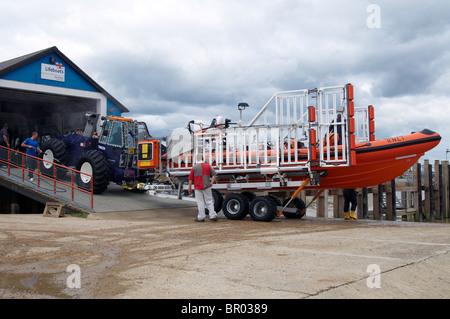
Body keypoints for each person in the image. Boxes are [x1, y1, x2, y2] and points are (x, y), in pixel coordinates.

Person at [188, 154, 218, 222]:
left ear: (196, 159)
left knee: (200, 202)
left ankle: (201, 217)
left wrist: (189, 188)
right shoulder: (208, 166)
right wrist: (211, 182)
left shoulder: (194, 167)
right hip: (207, 186)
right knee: (209, 201)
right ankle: (212, 216)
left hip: (198, 187)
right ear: (203, 158)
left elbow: (190, 179)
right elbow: (214, 174)